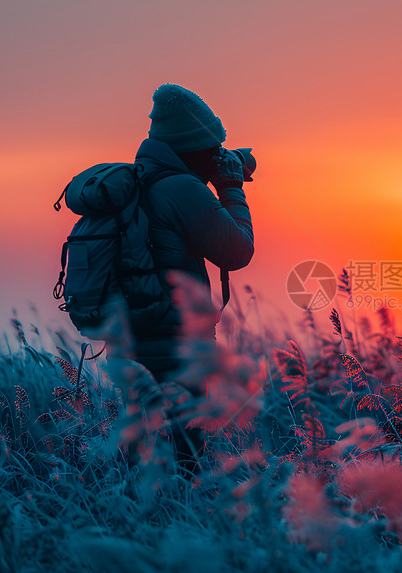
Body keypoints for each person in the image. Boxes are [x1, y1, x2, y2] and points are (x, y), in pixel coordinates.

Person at [118, 83, 255, 474]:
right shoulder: (181, 187)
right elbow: (237, 251)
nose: (217, 155)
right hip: (177, 346)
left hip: (135, 339)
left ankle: (141, 529)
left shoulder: (143, 179)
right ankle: (177, 528)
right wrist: (230, 187)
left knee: (144, 458)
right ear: (192, 145)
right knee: (186, 463)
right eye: (212, 147)